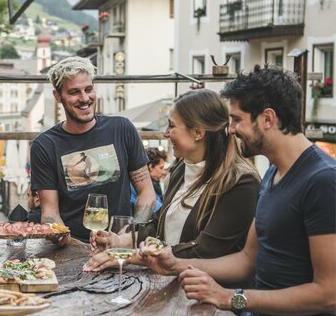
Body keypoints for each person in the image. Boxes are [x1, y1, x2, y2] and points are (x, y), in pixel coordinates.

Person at [143, 66, 336, 316]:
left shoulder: (322, 181)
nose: (230, 130)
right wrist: (175, 264)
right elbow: (247, 260)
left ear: (267, 119)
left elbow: (329, 294)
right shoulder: (273, 173)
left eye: (237, 120)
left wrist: (230, 298)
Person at [84, 89, 260, 271]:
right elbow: (159, 223)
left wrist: (129, 256)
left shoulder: (240, 183)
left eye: (172, 126)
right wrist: (122, 241)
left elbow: (204, 251)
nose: (166, 134)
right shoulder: (181, 168)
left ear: (198, 132)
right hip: (170, 283)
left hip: (209, 291)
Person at [30, 56, 156, 243]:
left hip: (120, 242)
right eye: (74, 92)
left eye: (88, 89)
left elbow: (146, 192)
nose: (84, 98)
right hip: (72, 246)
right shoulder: (45, 145)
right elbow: (50, 213)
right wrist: (70, 243)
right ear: (57, 96)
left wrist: (131, 233)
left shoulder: (122, 128)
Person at [130, 147, 168, 211]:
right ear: (151, 167)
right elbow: (158, 209)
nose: (163, 172)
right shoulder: (138, 185)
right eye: (161, 168)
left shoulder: (154, 184)